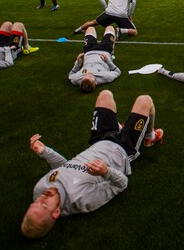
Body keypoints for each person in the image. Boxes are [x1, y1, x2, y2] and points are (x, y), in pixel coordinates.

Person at [20, 90, 163, 239]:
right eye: (44, 205)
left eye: (35, 203)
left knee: (105, 95)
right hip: (122, 149)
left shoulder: (39, 190)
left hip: (98, 140)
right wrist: (106, 171)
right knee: (145, 100)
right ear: (56, 212)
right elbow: (121, 184)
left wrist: (44, 151)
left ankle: (118, 128)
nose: (43, 197)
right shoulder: (82, 200)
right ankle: (149, 137)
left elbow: (63, 167)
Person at [69, 26, 121, 93]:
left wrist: (77, 63)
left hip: (89, 51)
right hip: (105, 50)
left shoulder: (76, 79)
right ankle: (112, 52)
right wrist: (108, 61)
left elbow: (70, 75)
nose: (88, 74)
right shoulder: (106, 77)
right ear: (96, 83)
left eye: (85, 76)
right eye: (90, 76)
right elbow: (117, 72)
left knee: (90, 28)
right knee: (110, 28)